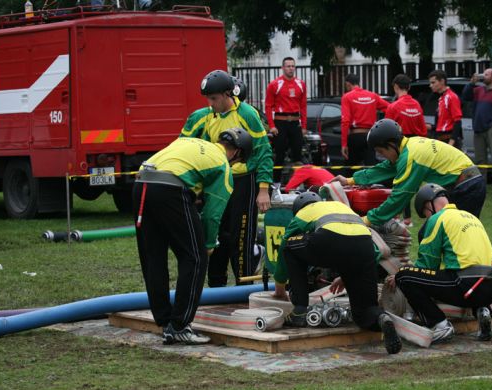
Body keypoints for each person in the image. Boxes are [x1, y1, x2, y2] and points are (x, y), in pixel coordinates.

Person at [132, 128, 253, 345]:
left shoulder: (191, 143)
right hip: (170, 190)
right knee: (195, 258)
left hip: (141, 184)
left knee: (153, 257)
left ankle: (164, 321)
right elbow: (212, 213)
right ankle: (179, 326)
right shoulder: (222, 165)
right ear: (236, 153)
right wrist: (208, 244)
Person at [272, 192, 402, 354]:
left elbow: (284, 245)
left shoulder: (304, 212)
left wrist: (280, 286)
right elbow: (372, 252)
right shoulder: (342, 207)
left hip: (330, 240)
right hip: (365, 246)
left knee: (291, 247)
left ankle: (299, 311)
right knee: (364, 311)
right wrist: (348, 275)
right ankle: (380, 318)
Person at [180, 69, 273, 287]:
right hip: (217, 181)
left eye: (214, 99)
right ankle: (216, 287)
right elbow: (184, 147)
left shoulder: (247, 114)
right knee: (215, 232)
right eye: (208, 99)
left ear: (227, 94)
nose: (210, 104)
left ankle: (244, 286)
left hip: (244, 182)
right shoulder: (202, 116)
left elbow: (263, 151)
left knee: (241, 237)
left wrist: (263, 189)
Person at [332, 119, 486, 235]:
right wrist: (350, 180)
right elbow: (385, 168)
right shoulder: (408, 146)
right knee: (440, 233)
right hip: (466, 184)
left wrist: (368, 219)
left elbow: (399, 197)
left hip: (467, 187)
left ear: (391, 145)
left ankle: (476, 266)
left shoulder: (411, 157)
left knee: (456, 235)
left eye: (382, 152)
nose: (382, 156)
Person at [391, 183, 492, 343]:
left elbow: (427, 263)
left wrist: (404, 273)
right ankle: (482, 311)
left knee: (404, 276)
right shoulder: (470, 217)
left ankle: (440, 325)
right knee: (465, 274)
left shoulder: (438, 219)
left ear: (428, 205)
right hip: (491, 287)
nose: (427, 218)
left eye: (425, 214)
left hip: (465, 285)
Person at [385, 73, 427, 226]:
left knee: (399, 181)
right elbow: (423, 130)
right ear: (408, 87)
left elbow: (386, 129)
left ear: (396, 87)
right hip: (417, 145)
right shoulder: (417, 105)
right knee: (410, 180)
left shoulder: (393, 106)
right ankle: (406, 218)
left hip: (400, 146)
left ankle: (400, 217)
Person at [462, 69, 492, 195]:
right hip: (478, 129)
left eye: (487, 74)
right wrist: (471, 83)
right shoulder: (478, 90)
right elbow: (465, 96)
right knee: (480, 160)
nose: (483, 76)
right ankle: (480, 186)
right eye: (483, 74)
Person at [265, 57, 308, 181]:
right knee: (279, 155)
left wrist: (304, 126)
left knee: (298, 155)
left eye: (293, 66)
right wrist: (272, 126)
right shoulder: (274, 84)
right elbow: (268, 106)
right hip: (280, 123)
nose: (291, 68)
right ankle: (276, 185)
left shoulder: (301, 84)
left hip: (295, 122)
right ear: (283, 68)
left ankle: (297, 183)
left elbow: (303, 106)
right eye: (288, 66)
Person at [340, 73, 390, 166]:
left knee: (351, 169)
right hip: (370, 136)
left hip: (355, 137)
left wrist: (344, 144)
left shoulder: (347, 97)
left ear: (348, 84)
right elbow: (390, 108)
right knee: (370, 168)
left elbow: (345, 121)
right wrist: (383, 125)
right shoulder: (372, 96)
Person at [427, 70, 463, 149]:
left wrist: (451, 143)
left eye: (433, 82)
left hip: (448, 139)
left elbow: (457, 121)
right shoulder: (441, 98)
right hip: (440, 138)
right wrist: (430, 127)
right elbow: (442, 123)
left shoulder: (451, 97)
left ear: (442, 81)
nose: (430, 85)